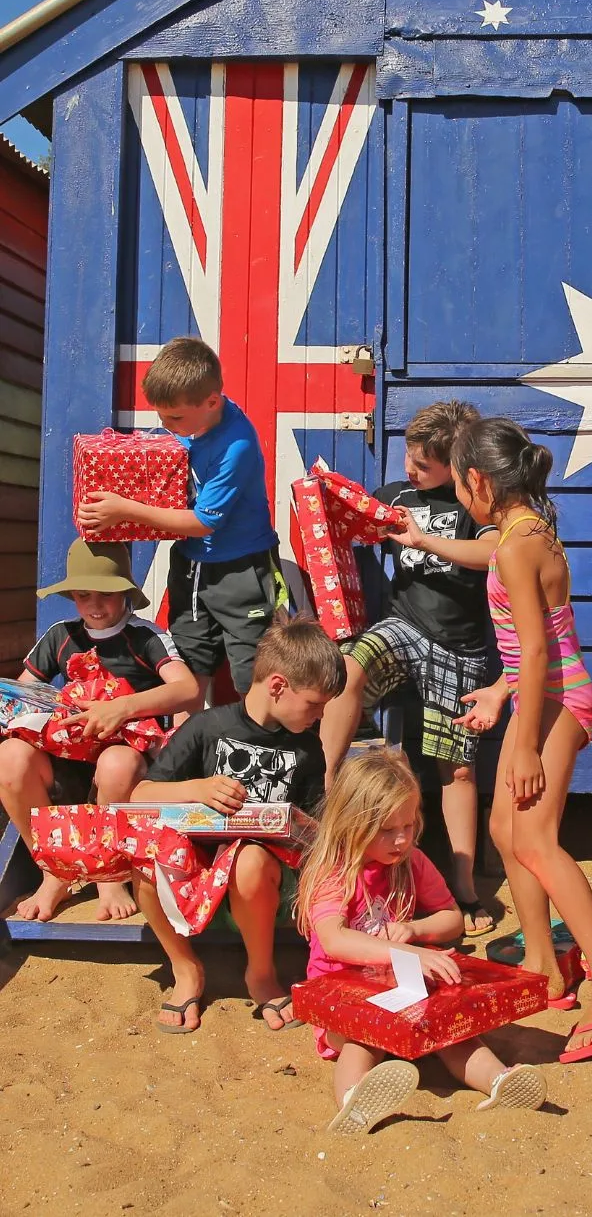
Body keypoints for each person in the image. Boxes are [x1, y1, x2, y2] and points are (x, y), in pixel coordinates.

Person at [450, 416, 592, 1064]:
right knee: (506, 832)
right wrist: (502, 694)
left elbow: (538, 647)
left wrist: (528, 743)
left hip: (556, 703)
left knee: (534, 838)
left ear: (478, 480)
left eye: (459, 485)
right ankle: (544, 962)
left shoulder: (517, 545)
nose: (460, 496)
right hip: (541, 695)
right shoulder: (527, 530)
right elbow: (539, 640)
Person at [297, 747, 547, 1135]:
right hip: (341, 1003)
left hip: (405, 990)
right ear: (351, 822)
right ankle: (353, 1101)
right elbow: (334, 941)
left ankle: (500, 1081)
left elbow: (451, 919)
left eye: (409, 825)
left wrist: (416, 930)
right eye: (386, 830)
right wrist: (406, 950)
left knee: (455, 1030)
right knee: (366, 1041)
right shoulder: (335, 870)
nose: (401, 839)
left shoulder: (410, 861)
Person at [320, 401, 499, 938]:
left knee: (458, 768)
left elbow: (494, 551)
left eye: (424, 465)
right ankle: (327, 784)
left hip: (459, 647)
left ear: (455, 465)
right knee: (350, 667)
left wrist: (424, 539)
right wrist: (328, 494)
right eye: (409, 458)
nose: (412, 471)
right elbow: (351, 522)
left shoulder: (476, 499)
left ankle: (464, 885)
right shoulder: (397, 496)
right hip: (403, 627)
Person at [130, 618, 344, 1034]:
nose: (320, 716)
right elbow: (141, 794)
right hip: (197, 872)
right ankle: (186, 968)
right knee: (145, 860)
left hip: (266, 882)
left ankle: (260, 974)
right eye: (315, 704)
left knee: (248, 857)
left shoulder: (304, 745)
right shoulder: (207, 727)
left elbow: (315, 824)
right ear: (278, 686)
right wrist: (195, 788)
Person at [0, 539, 198, 922]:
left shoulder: (143, 636)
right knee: (9, 755)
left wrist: (121, 708)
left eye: (106, 593)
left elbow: (187, 688)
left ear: (126, 592)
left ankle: (111, 876)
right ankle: (54, 869)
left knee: (116, 762)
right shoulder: (62, 635)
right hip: (69, 763)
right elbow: (26, 694)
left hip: (126, 768)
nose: (94, 605)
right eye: (83, 594)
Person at [77, 336, 282, 701]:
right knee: (189, 660)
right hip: (190, 563)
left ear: (212, 402)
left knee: (253, 668)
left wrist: (123, 509)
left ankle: (263, 747)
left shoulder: (236, 445)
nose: (166, 425)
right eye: (160, 416)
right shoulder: (189, 422)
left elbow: (205, 521)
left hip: (241, 569)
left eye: (174, 417)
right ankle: (187, 748)